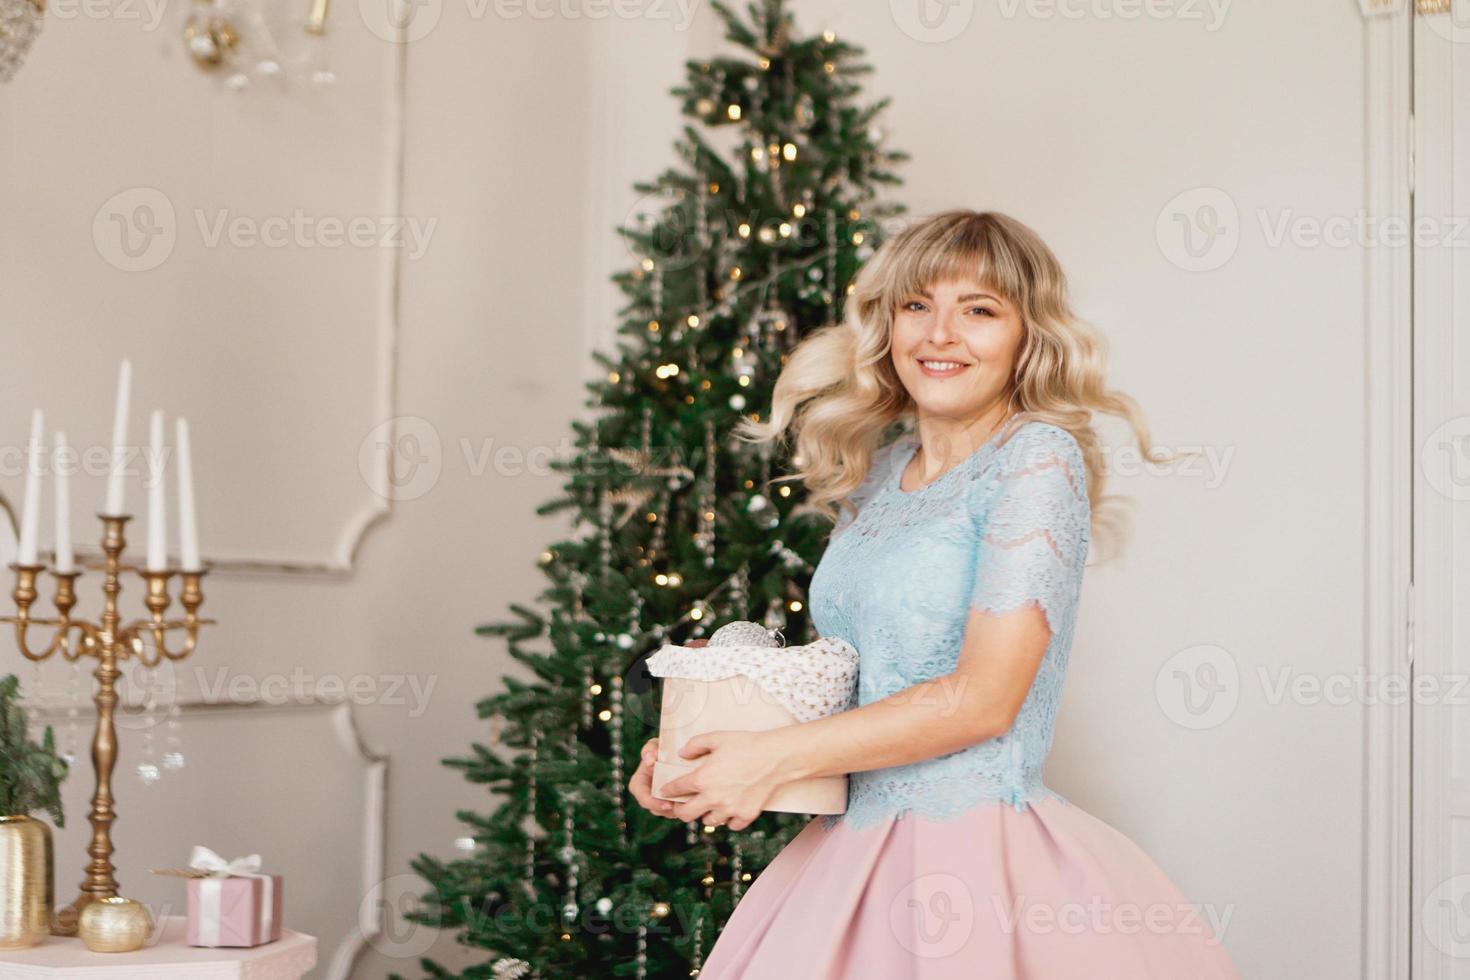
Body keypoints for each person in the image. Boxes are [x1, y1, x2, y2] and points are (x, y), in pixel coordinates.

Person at [627, 209, 1240, 977]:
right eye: (917, 305)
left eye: (978, 311)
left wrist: (770, 756)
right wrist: (705, 753)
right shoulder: (881, 471)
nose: (939, 334)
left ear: (1028, 335)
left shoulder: (1037, 459)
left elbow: (983, 699)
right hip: (847, 852)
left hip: (977, 863)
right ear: (886, 324)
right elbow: (855, 685)